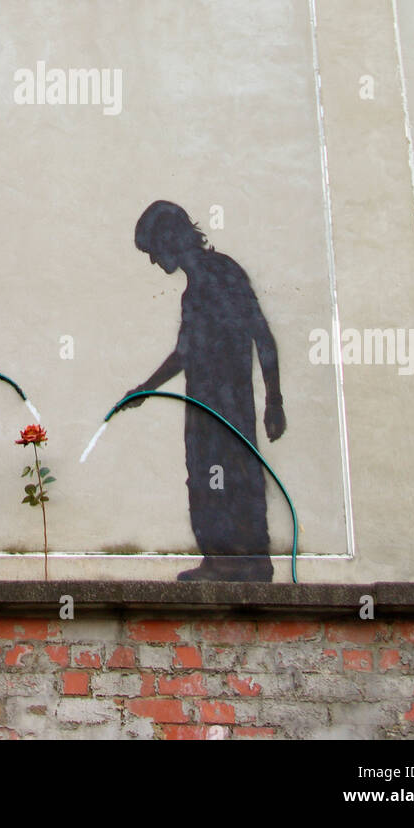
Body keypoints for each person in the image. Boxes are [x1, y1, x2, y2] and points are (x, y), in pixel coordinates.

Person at [122, 200, 285, 581]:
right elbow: (185, 353)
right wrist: (146, 387)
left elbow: (261, 335)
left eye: (152, 251)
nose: (152, 261)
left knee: (235, 475)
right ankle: (217, 561)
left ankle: (247, 564)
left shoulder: (223, 273)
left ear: (170, 239)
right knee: (203, 477)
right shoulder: (193, 290)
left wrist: (274, 401)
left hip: (227, 405)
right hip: (202, 404)